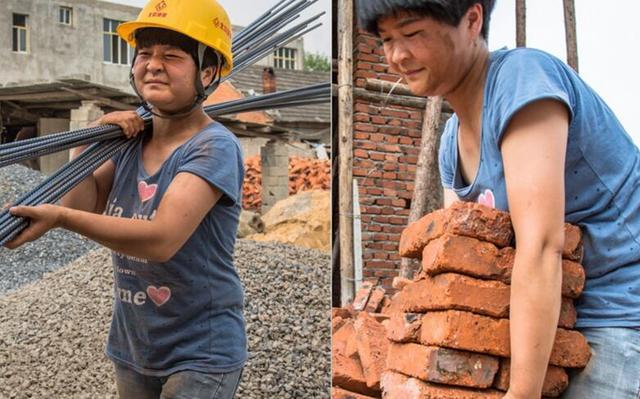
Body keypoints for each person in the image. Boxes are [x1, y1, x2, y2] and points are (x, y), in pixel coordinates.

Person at [358, 1, 640, 398]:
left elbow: (540, 246)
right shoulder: (450, 141)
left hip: (617, 316)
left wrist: (521, 394)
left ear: (472, 20)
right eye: (387, 40)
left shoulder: (524, 80)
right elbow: (463, 257)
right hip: (551, 326)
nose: (397, 56)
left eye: (413, 33)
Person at [4, 0, 246, 397]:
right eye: (145, 54)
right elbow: (82, 203)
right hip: (136, 346)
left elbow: (161, 239)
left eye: (172, 56)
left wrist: (60, 219)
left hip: (201, 351)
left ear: (208, 71)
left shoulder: (213, 147)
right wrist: (91, 138)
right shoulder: (127, 142)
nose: (153, 64)